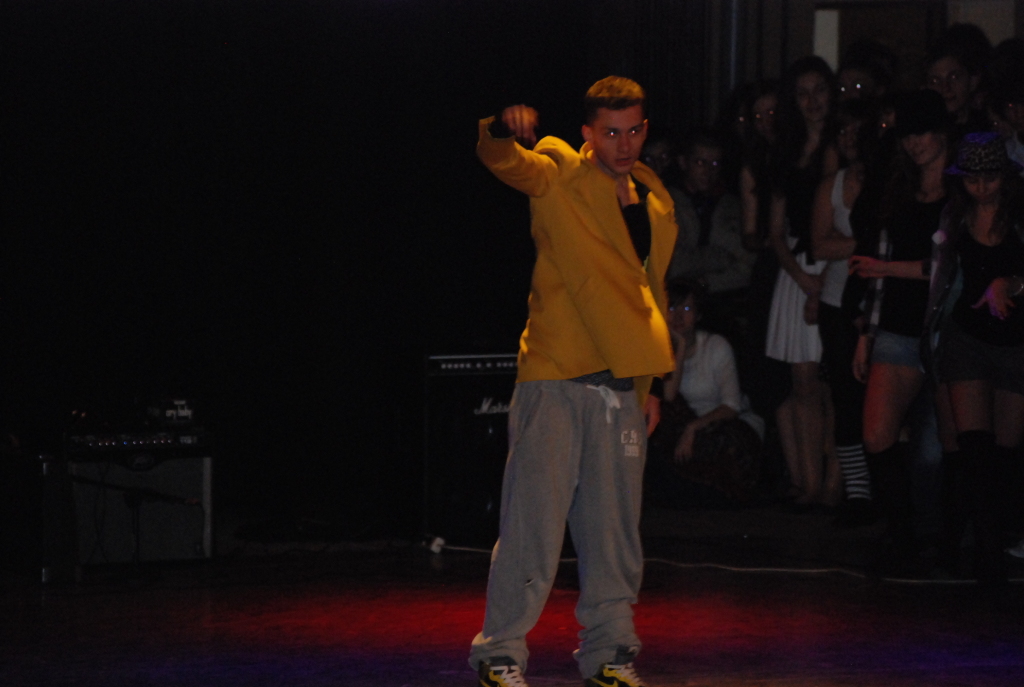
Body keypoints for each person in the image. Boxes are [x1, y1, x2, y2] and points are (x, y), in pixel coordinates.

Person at [470, 76, 675, 687]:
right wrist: (501, 129)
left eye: (633, 131)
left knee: (615, 536)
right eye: (610, 133)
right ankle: (500, 654)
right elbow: (505, 161)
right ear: (588, 133)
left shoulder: (652, 196)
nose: (623, 144)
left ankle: (610, 655)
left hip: (621, 387)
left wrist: (648, 387)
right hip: (557, 378)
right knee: (533, 526)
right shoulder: (560, 169)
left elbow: (649, 296)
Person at [849, 89, 952, 575]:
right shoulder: (899, 188)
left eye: (923, 132)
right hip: (895, 325)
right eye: (908, 134)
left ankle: (933, 534)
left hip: (947, 333)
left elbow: (952, 268)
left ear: (942, 132)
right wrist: (866, 335)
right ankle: (903, 532)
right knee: (876, 434)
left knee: (933, 450)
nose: (915, 143)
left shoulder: (963, 191)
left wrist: (887, 269)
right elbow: (876, 268)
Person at [927, 132, 1024, 585]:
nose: (982, 188)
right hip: (966, 338)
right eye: (973, 180)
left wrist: (1010, 283)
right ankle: (986, 556)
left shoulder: (1020, 214)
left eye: (990, 179)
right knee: (975, 449)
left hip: (1016, 343)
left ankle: (992, 543)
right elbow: (939, 275)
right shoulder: (955, 215)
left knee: (1004, 453)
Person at [764, 56, 841, 506]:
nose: (812, 102)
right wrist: (801, 278)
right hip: (796, 268)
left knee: (831, 379)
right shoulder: (786, 151)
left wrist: (824, 278)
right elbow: (775, 231)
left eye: (820, 91)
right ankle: (811, 483)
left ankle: (834, 482)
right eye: (803, 93)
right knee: (802, 378)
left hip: (832, 261)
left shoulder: (843, 146)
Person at [811, 100, 879, 526]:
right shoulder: (831, 185)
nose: (850, 140)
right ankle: (858, 492)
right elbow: (819, 245)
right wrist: (866, 244)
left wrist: (849, 242)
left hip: (879, 302)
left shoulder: (888, 181)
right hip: (837, 303)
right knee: (845, 397)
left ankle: (885, 487)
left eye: (857, 131)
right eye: (843, 132)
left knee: (882, 397)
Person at [646, 279, 763, 507]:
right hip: (681, 427)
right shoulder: (657, 349)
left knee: (723, 444)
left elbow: (731, 405)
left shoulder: (716, 346)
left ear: (698, 315)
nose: (679, 316)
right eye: (672, 308)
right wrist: (679, 347)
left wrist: (693, 427)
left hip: (721, 421)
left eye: (687, 308)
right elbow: (668, 396)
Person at [667, 130, 753, 337]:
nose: (708, 171)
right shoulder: (665, 203)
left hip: (723, 306)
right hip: (673, 307)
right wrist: (717, 258)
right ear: (683, 162)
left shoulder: (732, 207)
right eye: (700, 162)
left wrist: (705, 283)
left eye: (714, 164)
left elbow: (746, 265)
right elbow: (671, 263)